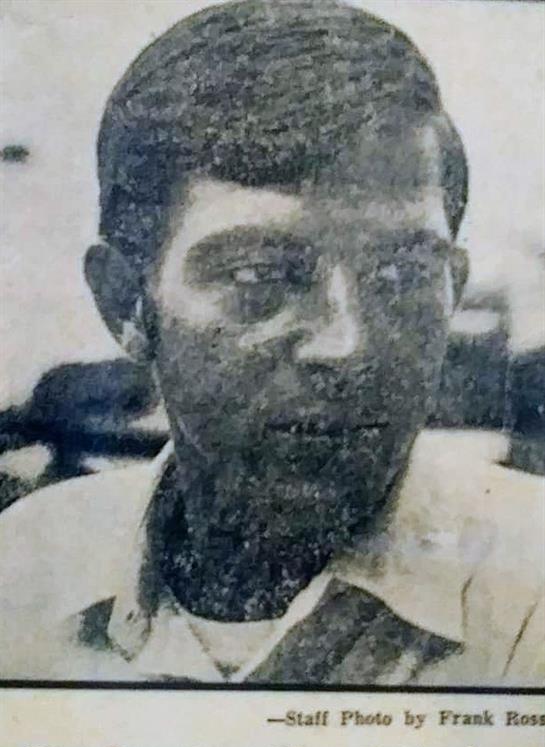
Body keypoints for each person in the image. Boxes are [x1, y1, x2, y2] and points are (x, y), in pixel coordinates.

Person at [0, 0, 543, 684]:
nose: (346, 345)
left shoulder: (530, 590)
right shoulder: (22, 572)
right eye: (259, 275)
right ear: (126, 303)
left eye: (402, 274)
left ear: (453, 286)